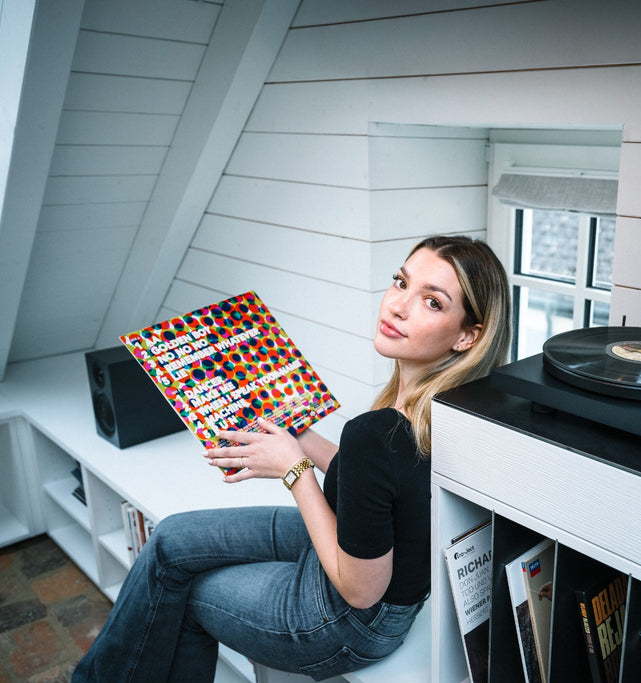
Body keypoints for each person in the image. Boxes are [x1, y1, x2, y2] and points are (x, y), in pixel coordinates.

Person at [73, 235, 511, 681]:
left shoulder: (377, 433)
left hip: (349, 619)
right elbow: (380, 487)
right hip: (360, 554)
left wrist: (293, 469)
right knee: (168, 540)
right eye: (401, 282)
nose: (398, 306)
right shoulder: (445, 412)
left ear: (467, 336)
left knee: (186, 589)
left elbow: (361, 591)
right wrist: (296, 435)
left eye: (432, 302)